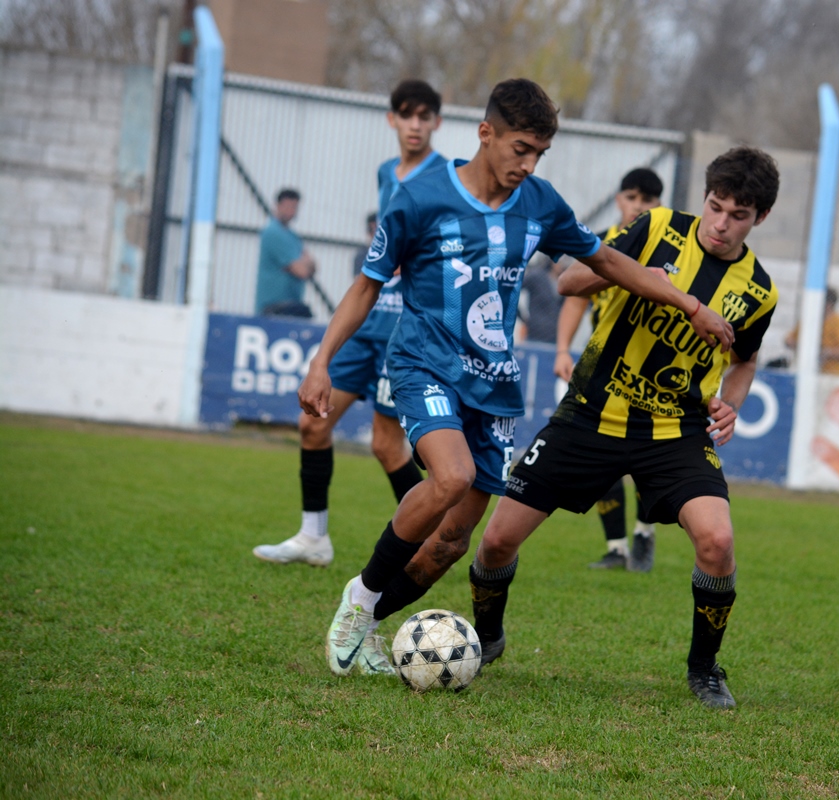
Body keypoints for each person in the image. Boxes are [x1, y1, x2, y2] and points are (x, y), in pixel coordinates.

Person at [300, 78, 733, 678]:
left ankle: (369, 628)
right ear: (486, 134)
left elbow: (605, 260)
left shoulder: (540, 203)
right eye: (520, 149)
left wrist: (691, 304)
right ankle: (361, 598)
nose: (526, 165)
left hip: (495, 385)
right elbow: (367, 284)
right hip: (423, 361)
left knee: (453, 542)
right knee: (449, 477)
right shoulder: (419, 197)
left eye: (539, 155)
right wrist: (321, 361)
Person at [469, 146, 781, 710]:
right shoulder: (655, 228)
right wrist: (652, 284)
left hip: (675, 430)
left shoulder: (759, 290)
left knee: (718, 541)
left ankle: (705, 669)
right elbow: (568, 282)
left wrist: (730, 402)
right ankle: (488, 636)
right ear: (703, 199)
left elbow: (746, 360)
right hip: (590, 412)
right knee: (495, 540)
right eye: (715, 207)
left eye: (738, 215)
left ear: (759, 218)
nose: (720, 224)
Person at [253, 80, 445, 568]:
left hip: (404, 333)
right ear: (392, 120)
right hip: (367, 324)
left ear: (437, 123)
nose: (416, 125)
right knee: (311, 425)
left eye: (425, 116)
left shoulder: (446, 177)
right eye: (407, 115)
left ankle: (433, 539)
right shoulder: (387, 172)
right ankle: (314, 537)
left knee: (386, 445)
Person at [554, 167, 664, 571]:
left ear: (658, 205)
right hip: (601, 368)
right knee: (600, 455)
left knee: (649, 458)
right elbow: (575, 299)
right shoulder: (597, 243)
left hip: (650, 371)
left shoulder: (665, 247)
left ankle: (644, 534)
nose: (638, 206)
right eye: (632, 198)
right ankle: (617, 547)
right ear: (620, 199)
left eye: (648, 200)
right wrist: (563, 349)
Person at [255, 188, 316, 318]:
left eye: (295, 207)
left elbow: (312, 266)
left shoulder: (293, 236)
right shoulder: (273, 233)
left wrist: (306, 264)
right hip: (274, 307)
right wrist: (304, 263)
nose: (292, 211)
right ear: (278, 206)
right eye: (288, 206)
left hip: (291, 304)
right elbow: (302, 271)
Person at [783, 286, 839, 374]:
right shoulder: (809, 320)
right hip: (806, 371)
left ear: (829, 304)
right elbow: (788, 340)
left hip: (832, 374)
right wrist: (804, 346)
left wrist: (825, 352)